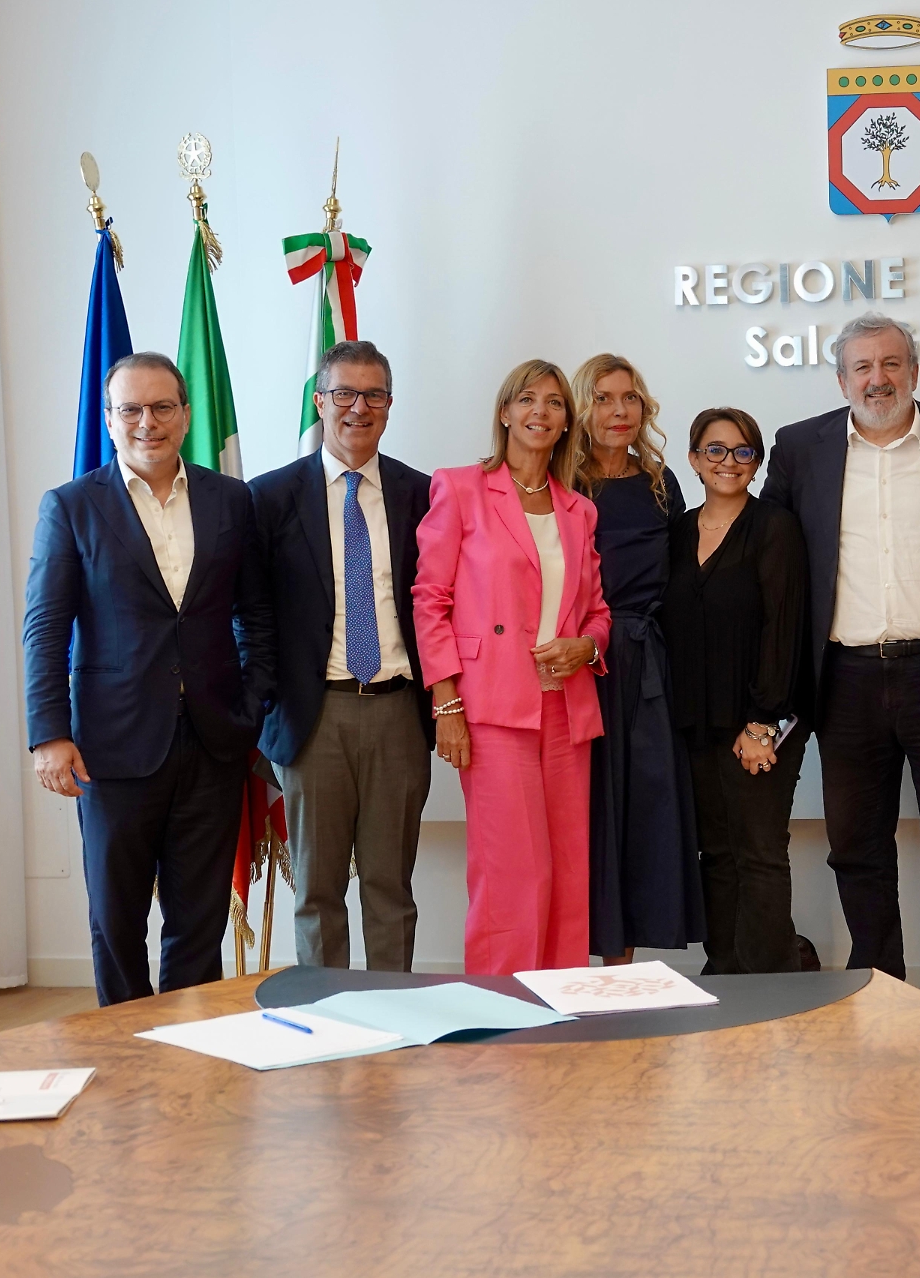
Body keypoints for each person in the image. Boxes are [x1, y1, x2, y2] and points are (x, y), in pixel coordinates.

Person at [23, 352, 274, 1005]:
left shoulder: (231, 500)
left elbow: (257, 616)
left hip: (214, 741)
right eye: (131, 409)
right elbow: (45, 628)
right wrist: (49, 733)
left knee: (199, 921)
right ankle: (125, 1049)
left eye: (162, 407)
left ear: (186, 415)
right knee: (117, 921)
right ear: (109, 419)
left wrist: (251, 706)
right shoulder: (71, 507)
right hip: (112, 746)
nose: (147, 422)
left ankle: (188, 1048)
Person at [760, 312, 920, 1016]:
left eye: (891, 364)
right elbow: (772, 560)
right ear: (841, 380)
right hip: (845, 680)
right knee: (857, 848)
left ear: (914, 371)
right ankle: (880, 990)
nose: (878, 379)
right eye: (862, 367)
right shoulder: (799, 448)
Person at [413, 359, 611, 975]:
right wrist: (447, 704)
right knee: (511, 872)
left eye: (554, 403)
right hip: (494, 707)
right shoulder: (460, 488)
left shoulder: (578, 510)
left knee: (567, 869)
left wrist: (587, 647)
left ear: (567, 422)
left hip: (567, 708)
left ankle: (562, 1002)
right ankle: (502, 1006)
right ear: (504, 412)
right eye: (527, 399)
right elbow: (430, 600)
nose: (539, 412)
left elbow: (598, 611)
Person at [250, 341, 433, 972]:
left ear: (390, 404)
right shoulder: (269, 498)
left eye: (374, 394)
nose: (359, 407)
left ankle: (393, 1013)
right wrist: (262, 709)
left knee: (390, 888)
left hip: (398, 713)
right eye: (345, 393)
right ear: (320, 401)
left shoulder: (423, 495)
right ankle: (325, 1013)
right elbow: (250, 616)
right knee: (317, 891)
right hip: (312, 717)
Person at [662, 408, 811, 974]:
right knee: (716, 854)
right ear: (694, 459)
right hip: (696, 723)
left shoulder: (775, 527)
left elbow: (783, 628)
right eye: (716, 450)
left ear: (757, 462)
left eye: (743, 451)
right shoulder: (677, 532)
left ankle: (771, 982)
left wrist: (762, 722)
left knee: (760, 853)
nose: (729, 461)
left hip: (759, 721)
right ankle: (725, 972)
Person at [568, 353, 702, 965]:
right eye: (602, 398)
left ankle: (622, 974)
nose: (618, 411)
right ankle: (581, 969)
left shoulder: (659, 481)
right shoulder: (563, 482)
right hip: (582, 664)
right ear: (582, 408)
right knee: (590, 814)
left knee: (644, 812)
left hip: (649, 667)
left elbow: (681, 582)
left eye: (629, 398)